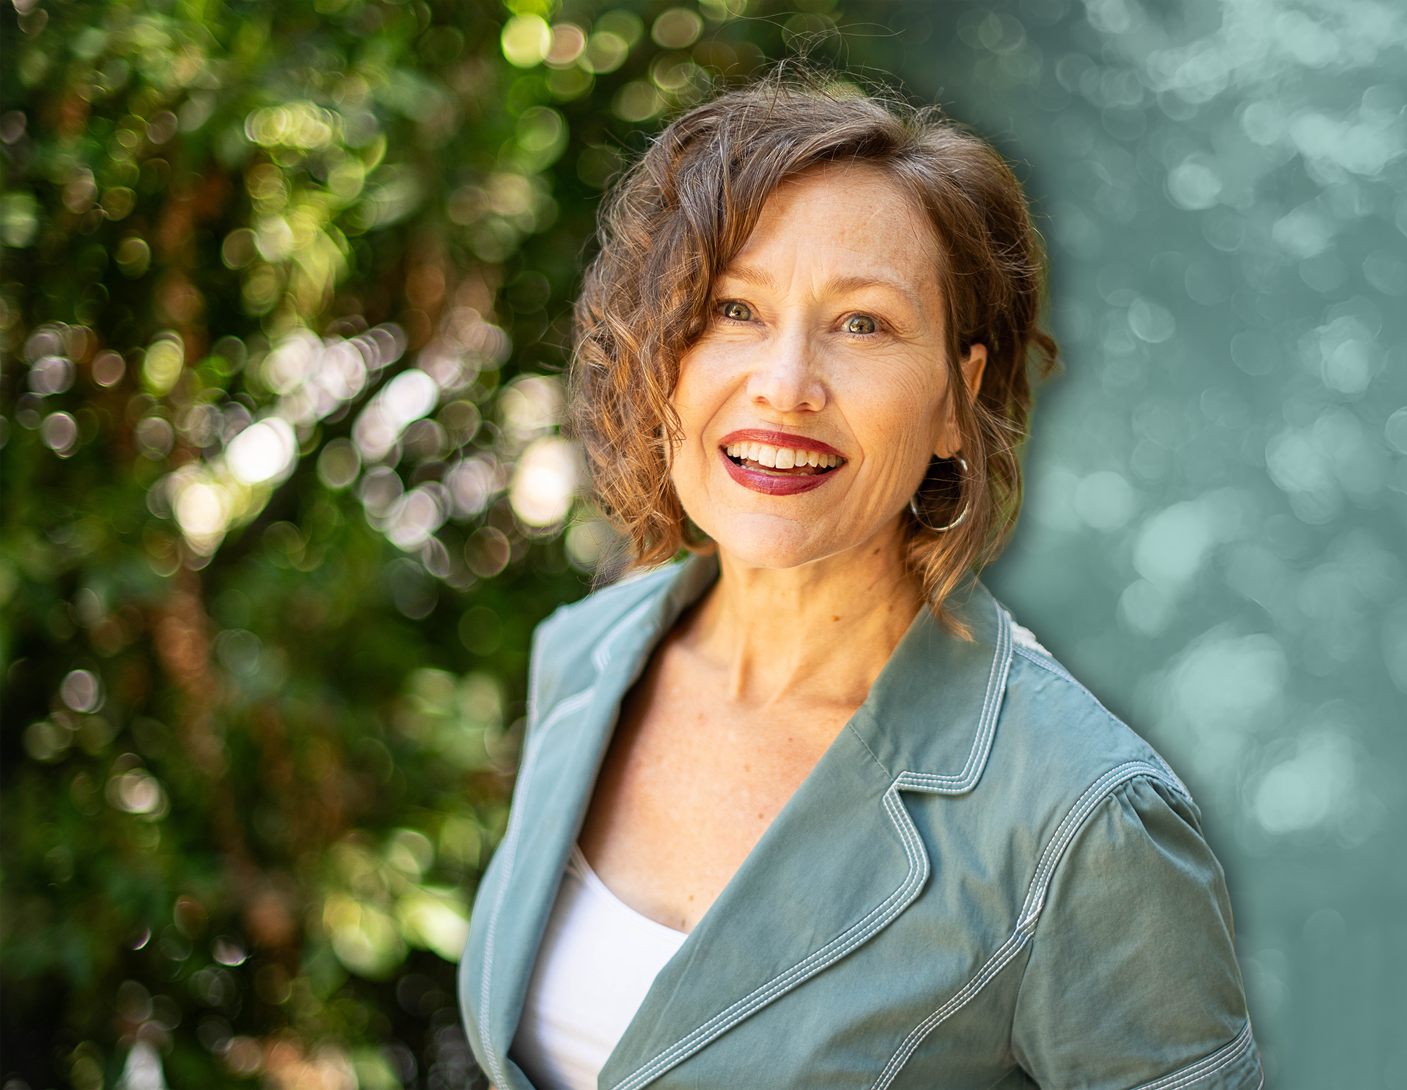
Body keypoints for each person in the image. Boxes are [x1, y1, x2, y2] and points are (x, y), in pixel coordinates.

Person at [456, 80, 1261, 1090]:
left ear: (954, 402)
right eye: (733, 309)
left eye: (864, 324)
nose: (786, 383)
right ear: (665, 357)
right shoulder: (588, 655)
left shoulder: (1080, 816)